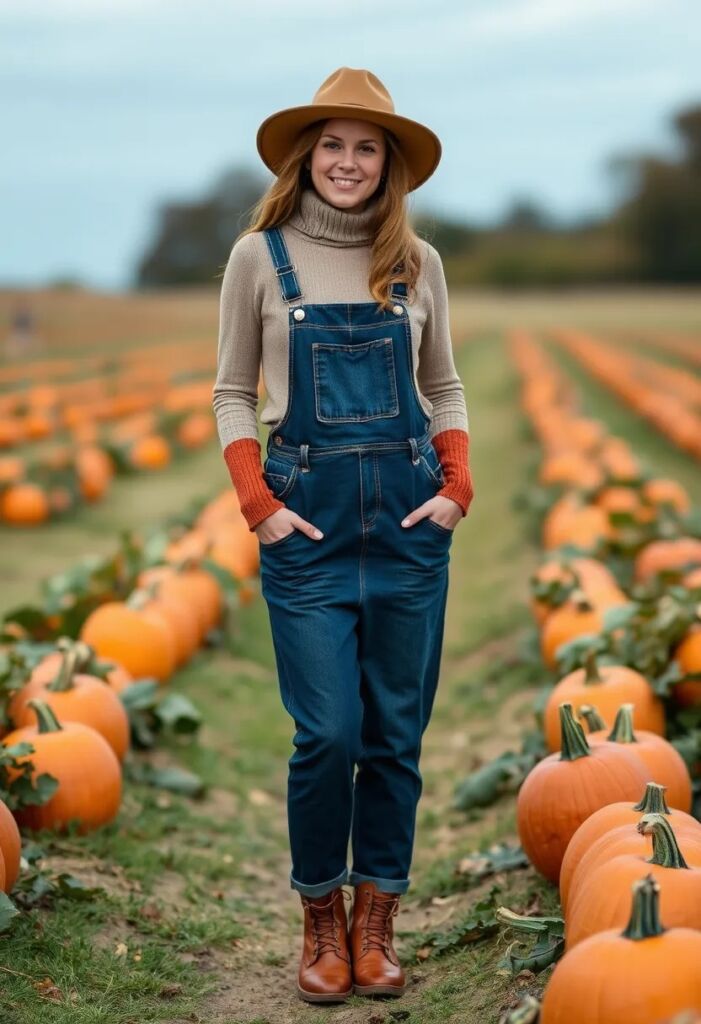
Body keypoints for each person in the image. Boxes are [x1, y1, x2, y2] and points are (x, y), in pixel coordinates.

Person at [212, 66, 474, 1004]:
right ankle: (320, 914)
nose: (349, 162)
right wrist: (260, 505)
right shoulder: (260, 258)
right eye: (333, 144)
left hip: (407, 524)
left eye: (367, 147)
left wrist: (456, 486)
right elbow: (233, 393)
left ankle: (376, 920)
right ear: (305, 156)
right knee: (326, 733)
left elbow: (441, 385)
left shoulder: (418, 260)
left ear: (390, 164)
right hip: (306, 524)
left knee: (394, 735)